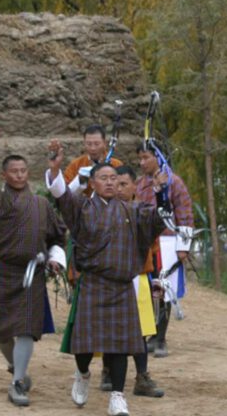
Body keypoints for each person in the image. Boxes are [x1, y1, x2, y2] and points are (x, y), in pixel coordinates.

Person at [47, 139, 166, 416]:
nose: (111, 183)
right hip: (93, 283)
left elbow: (157, 220)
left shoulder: (133, 210)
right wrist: (55, 170)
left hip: (123, 286)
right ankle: (83, 374)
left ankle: (117, 396)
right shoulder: (81, 207)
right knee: (86, 345)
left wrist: (160, 192)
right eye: (104, 178)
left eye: (115, 179)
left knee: (121, 346)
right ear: (93, 183)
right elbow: (60, 195)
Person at [0, 125, 68, 407]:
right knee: (1, 330)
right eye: (14, 171)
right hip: (6, 272)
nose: (20, 175)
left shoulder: (42, 204)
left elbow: (58, 236)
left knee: (27, 328)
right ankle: (15, 366)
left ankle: (18, 381)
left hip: (33, 273)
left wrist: (56, 258)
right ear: (4, 175)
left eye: (23, 170)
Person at [98, 165, 164, 399]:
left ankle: (142, 376)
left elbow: (154, 244)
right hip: (110, 278)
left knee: (142, 331)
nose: (118, 188)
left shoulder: (142, 212)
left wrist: (156, 277)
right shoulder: (101, 212)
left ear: (135, 186)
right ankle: (107, 370)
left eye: (124, 184)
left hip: (140, 276)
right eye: (116, 183)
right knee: (110, 327)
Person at [134, 142, 194, 359]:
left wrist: (183, 247)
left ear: (157, 158)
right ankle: (149, 334)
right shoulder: (139, 185)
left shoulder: (174, 183)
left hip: (168, 243)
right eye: (139, 158)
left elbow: (185, 213)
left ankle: (160, 338)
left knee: (164, 290)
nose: (142, 163)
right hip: (146, 243)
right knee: (147, 290)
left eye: (146, 157)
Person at [63, 125, 124, 195]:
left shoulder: (116, 164)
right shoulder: (75, 165)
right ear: (84, 144)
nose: (93, 148)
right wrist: (80, 180)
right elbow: (66, 194)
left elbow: (123, 189)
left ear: (104, 143)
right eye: (89, 144)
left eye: (97, 144)